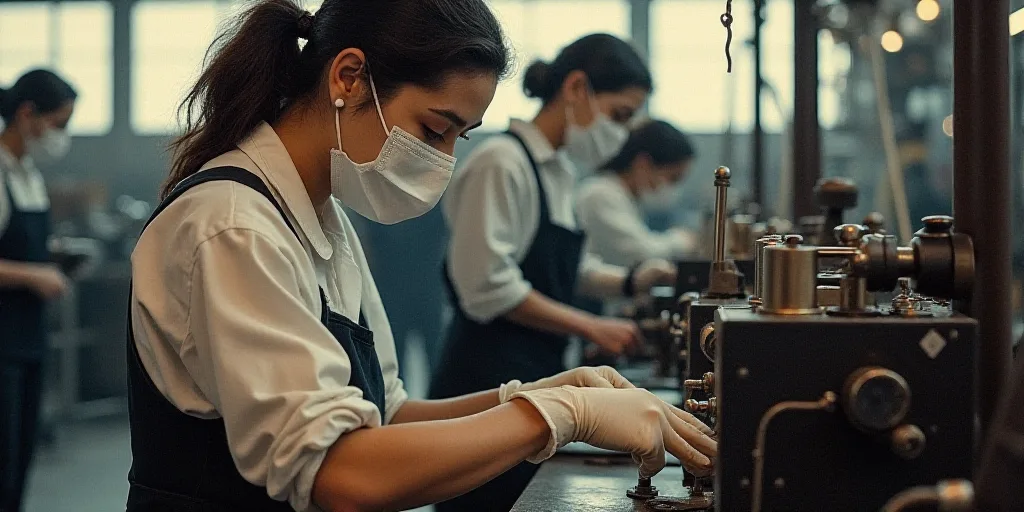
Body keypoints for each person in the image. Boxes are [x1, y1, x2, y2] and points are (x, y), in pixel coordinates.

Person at [126, 2, 716, 512]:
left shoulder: (320, 216)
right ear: (349, 77)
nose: (445, 160)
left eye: (460, 137)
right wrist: (557, 414)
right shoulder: (232, 225)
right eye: (435, 130)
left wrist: (531, 394)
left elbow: (388, 414)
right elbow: (341, 475)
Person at [430, 34, 680, 511]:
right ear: (576, 88)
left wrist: (630, 282)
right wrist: (591, 325)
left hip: (533, 372)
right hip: (485, 378)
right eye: (620, 115)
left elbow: (563, 267)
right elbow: (487, 287)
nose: (621, 135)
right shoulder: (500, 163)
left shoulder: (558, 171)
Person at [0, 69, 75, 512]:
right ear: (27, 114)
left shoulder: (27, 173)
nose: (60, 136)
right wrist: (35, 276)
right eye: (59, 123)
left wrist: (53, 256)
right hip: (2, 346)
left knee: (19, 465)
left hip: (28, 343)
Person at [576, 119, 698, 267]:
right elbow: (641, 253)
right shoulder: (600, 195)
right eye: (673, 178)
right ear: (643, 163)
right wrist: (681, 240)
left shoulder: (624, 198)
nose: (673, 188)